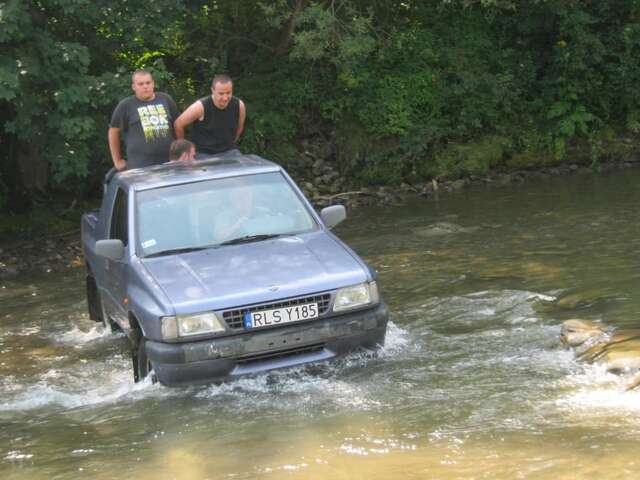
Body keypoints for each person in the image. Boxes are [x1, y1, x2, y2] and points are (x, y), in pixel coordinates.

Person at [108, 70, 180, 170]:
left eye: (148, 83)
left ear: (153, 84)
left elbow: (177, 124)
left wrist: (180, 150)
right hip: (140, 165)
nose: (145, 86)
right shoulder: (126, 105)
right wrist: (117, 161)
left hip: (169, 161)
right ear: (134, 87)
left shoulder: (166, 99)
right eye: (140, 84)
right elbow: (113, 131)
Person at [174, 74, 246, 156]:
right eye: (221, 94)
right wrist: (184, 150)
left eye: (228, 93)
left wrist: (231, 142)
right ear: (213, 90)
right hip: (204, 153)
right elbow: (178, 124)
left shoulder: (239, 105)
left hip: (229, 150)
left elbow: (239, 127)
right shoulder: (200, 107)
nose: (225, 98)